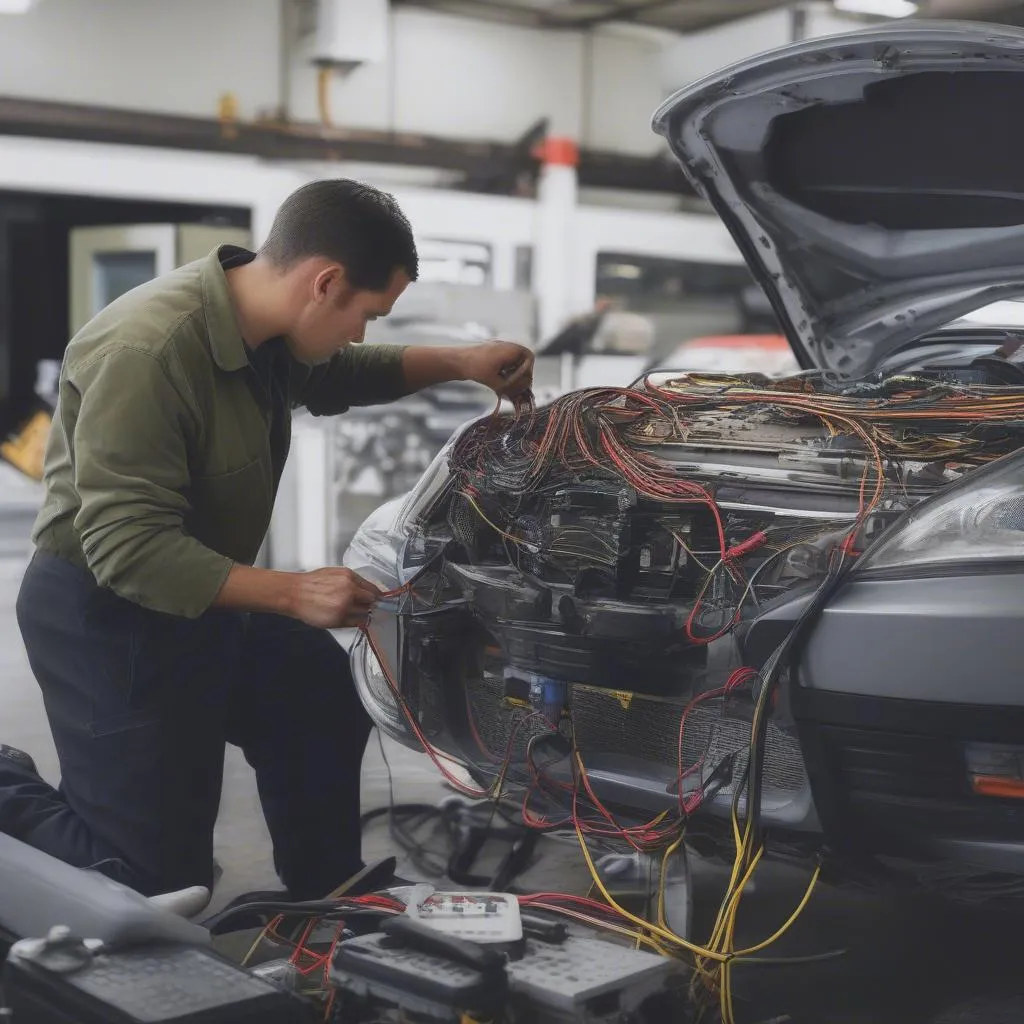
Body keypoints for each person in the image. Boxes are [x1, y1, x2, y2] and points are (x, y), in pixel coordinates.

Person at [0, 179, 534, 902]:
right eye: (367, 314)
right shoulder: (147, 350)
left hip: (205, 592)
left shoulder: (264, 329)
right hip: (107, 611)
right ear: (325, 282)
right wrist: (292, 591)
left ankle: (325, 888)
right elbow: (128, 550)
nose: (361, 333)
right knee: (149, 883)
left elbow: (341, 369)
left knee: (315, 688)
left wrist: (462, 363)